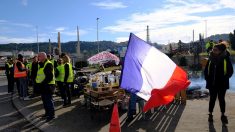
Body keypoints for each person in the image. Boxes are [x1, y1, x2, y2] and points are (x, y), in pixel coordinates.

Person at [204, 44, 233, 124]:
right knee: (212, 99)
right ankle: (210, 114)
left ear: (220, 51)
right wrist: (207, 78)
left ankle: (223, 115)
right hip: (212, 84)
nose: (213, 51)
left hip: (222, 84)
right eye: (213, 49)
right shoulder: (210, 58)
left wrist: (224, 78)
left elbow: (230, 71)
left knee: (221, 99)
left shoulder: (226, 59)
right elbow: (206, 70)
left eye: (215, 50)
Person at [36, 52, 55, 122]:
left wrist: (42, 83)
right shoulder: (42, 64)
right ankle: (47, 113)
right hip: (43, 86)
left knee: (48, 101)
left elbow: (49, 77)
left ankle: (51, 115)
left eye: (39, 56)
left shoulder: (48, 64)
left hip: (48, 86)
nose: (38, 58)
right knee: (45, 101)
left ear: (43, 57)